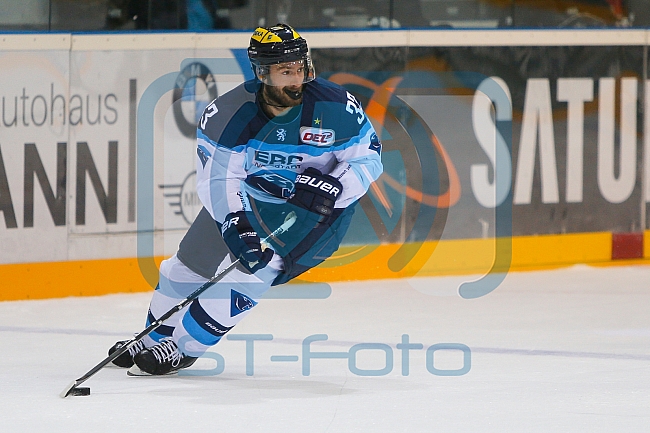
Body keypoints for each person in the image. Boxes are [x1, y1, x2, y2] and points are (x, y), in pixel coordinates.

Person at [109, 23, 383, 376]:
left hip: (316, 216)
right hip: (251, 199)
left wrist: (336, 186)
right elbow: (219, 178)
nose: (296, 78)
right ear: (262, 73)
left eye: (300, 68)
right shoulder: (229, 113)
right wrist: (235, 221)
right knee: (189, 262)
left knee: (258, 268)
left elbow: (369, 158)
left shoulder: (337, 107)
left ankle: (182, 347)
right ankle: (152, 336)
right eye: (286, 71)